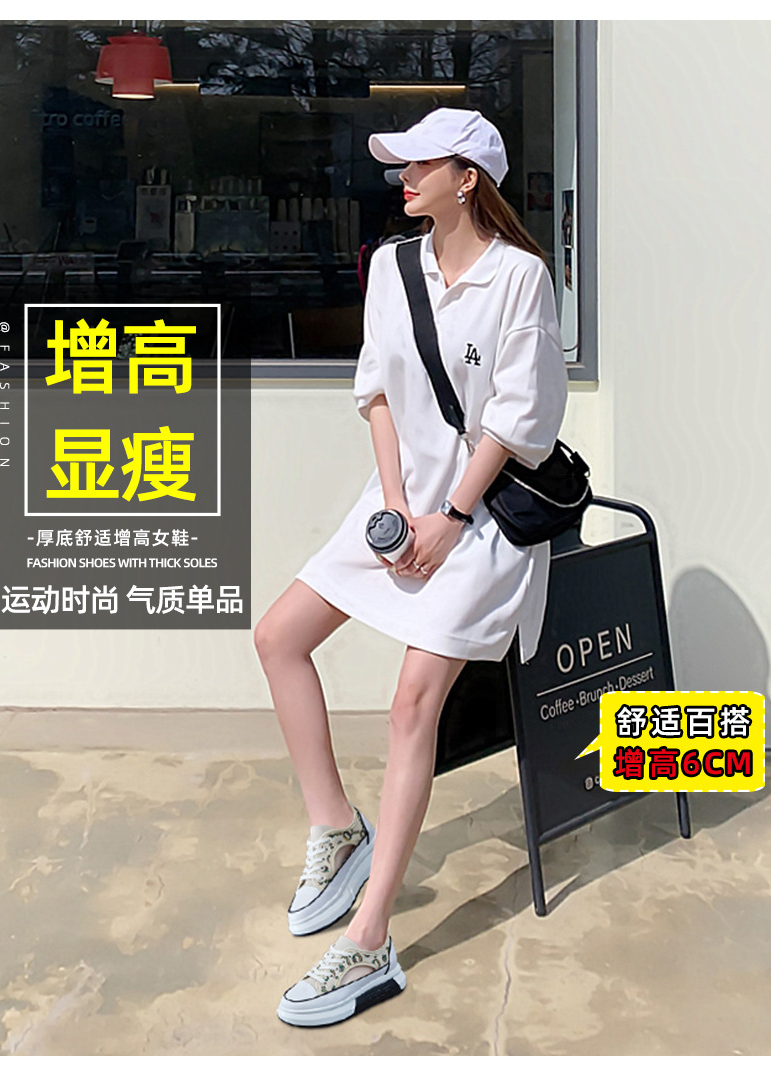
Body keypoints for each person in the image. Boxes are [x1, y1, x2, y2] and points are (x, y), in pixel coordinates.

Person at [254, 107, 568, 1028]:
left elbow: (518, 418)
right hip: (401, 503)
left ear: (467, 178)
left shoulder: (520, 277)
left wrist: (449, 518)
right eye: (401, 165)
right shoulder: (392, 266)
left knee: (410, 704)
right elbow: (379, 390)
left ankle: (369, 938)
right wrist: (395, 509)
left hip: (484, 517)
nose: (402, 177)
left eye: (419, 164)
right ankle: (336, 825)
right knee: (278, 637)